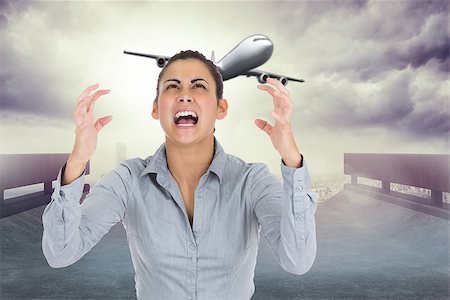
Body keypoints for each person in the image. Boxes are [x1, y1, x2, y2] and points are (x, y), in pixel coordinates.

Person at [42, 50, 317, 299]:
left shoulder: (252, 181)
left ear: (221, 108)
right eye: (172, 86)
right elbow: (60, 253)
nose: (185, 94)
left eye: (199, 86)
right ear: (155, 108)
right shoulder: (128, 180)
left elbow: (297, 260)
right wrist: (78, 160)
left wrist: (292, 160)